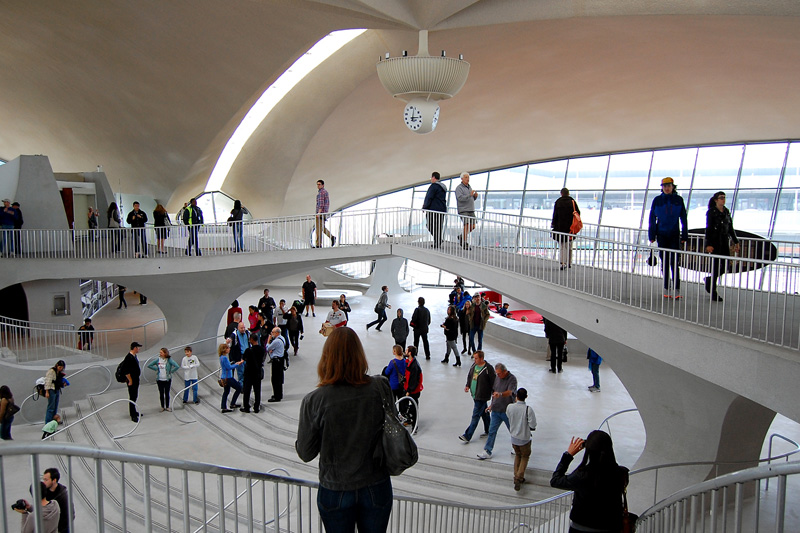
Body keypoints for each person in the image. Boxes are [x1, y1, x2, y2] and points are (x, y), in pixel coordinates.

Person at [296, 327, 393, 533]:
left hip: (335, 487)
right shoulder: (380, 387)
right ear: (360, 354)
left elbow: (305, 453)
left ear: (326, 357)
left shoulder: (314, 401)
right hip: (376, 483)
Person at [550, 431, 630, 533]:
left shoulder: (582, 475)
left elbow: (555, 480)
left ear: (588, 450)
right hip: (611, 527)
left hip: (581, 528)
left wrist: (568, 455)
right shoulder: (621, 473)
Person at [648, 177, 689, 299]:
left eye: (669, 185)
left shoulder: (678, 200)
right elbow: (652, 219)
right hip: (662, 234)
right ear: (662, 187)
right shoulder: (657, 200)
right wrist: (652, 235)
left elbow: (683, 218)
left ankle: (676, 289)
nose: (666, 188)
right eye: (664, 186)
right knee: (665, 262)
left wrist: (684, 235)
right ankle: (666, 288)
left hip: (674, 234)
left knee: (674, 262)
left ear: (672, 187)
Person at [704, 191, 740, 302]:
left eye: (724, 198)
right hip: (715, 243)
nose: (723, 200)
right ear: (716, 200)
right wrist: (708, 244)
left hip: (724, 242)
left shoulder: (726, 212)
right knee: (715, 266)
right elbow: (708, 229)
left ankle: (710, 280)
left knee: (725, 266)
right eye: (721, 198)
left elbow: (730, 228)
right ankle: (713, 291)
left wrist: (735, 241)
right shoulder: (711, 212)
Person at [477, 363, 517, 460]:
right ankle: (487, 451)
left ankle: (517, 447)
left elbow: (510, 392)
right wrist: (491, 405)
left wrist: (501, 394)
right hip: (496, 410)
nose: (497, 375)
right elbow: (494, 393)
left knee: (513, 431)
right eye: (496, 374)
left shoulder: (512, 379)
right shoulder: (497, 378)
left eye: (499, 373)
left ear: (504, 371)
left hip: (507, 411)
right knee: (492, 431)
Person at [458, 351, 495, 443]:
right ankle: (489, 429)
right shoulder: (474, 366)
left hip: (482, 396)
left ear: (482, 358)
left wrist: (494, 393)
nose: (475, 360)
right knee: (484, 413)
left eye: (476, 358)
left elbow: (493, 382)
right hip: (475, 394)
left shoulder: (488, 368)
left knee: (476, 415)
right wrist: (468, 385)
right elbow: (470, 376)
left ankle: (467, 435)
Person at [506, 388, 537, 491]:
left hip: (514, 438)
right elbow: (533, 424)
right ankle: (519, 477)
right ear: (526, 397)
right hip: (524, 438)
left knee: (517, 455)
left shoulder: (510, 407)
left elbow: (508, 417)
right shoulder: (528, 409)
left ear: (516, 396)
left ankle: (516, 475)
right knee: (525, 456)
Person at [551, 187, 580, 270]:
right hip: (571, 228)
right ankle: (569, 262)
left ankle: (562, 263)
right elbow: (578, 213)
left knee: (562, 246)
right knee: (569, 245)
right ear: (568, 193)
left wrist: (553, 224)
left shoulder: (558, 202)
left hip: (560, 227)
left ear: (561, 193)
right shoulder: (572, 202)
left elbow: (555, 215)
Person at [146, 347, 178, 412]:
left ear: (165, 353)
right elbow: (149, 365)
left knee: (167, 393)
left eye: (161, 352)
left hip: (167, 379)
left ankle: (167, 406)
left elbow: (177, 366)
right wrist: (156, 369)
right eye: (160, 352)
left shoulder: (169, 360)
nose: (160, 353)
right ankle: (162, 406)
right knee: (161, 393)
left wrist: (170, 371)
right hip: (159, 379)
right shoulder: (158, 360)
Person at [240, 333, 266, 413]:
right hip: (257, 372)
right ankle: (256, 407)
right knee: (257, 390)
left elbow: (244, 358)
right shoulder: (262, 349)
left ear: (251, 340)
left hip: (249, 372)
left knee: (247, 390)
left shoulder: (248, 350)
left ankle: (246, 407)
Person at [42, 467, 73, 533]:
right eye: (43, 479)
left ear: (54, 480)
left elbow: (70, 515)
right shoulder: (44, 491)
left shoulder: (63, 496)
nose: (44, 482)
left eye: (46, 480)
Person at [422, 171, 447, 247]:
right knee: (439, 226)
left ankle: (438, 240)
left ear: (433, 177)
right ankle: (438, 241)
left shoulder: (433, 186)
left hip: (433, 209)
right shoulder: (443, 187)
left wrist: (425, 207)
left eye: (431, 178)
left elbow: (429, 197)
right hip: (442, 209)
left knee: (430, 225)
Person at [455, 172, 478, 250]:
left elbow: (470, 199)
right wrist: (470, 195)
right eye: (465, 177)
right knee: (467, 225)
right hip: (463, 210)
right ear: (461, 178)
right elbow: (460, 198)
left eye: (468, 177)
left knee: (473, 226)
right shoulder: (459, 188)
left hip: (471, 209)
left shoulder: (469, 187)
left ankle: (462, 236)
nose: (467, 179)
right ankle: (464, 242)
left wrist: (474, 197)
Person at [403, 345, 423, 431]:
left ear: (410, 353)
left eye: (406, 351)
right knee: (408, 405)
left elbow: (414, 380)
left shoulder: (414, 366)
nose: (405, 352)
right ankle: (410, 419)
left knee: (413, 407)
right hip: (410, 388)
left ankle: (414, 425)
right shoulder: (409, 362)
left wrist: (409, 391)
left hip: (413, 391)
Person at [218, 343, 243, 413]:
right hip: (228, 377)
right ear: (224, 349)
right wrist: (237, 364)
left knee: (226, 392)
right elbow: (229, 367)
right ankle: (233, 403)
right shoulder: (225, 358)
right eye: (227, 348)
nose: (229, 349)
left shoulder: (221, 357)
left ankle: (224, 406)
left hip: (224, 377)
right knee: (238, 388)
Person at [121, 342, 142, 422]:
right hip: (132, 380)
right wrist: (130, 380)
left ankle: (134, 411)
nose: (139, 349)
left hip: (135, 379)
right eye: (138, 347)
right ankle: (132, 415)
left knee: (135, 396)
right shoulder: (129, 358)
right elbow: (126, 371)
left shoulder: (134, 356)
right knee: (132, 397)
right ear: (135, 348)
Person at [266, 327, 287, 402]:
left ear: (277, 333)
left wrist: (268, 341)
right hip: (280, 360)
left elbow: (268, 348)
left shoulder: (276, 341)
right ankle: (279, 394)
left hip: (276, 361)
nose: (272, 334)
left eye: (273, 332)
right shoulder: (282, 338)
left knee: (275, 379)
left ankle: (276, 396)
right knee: (279, 378)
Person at [228, 321, 249, 387]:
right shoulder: (234, 335)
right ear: (238, 328)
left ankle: (246, 385)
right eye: (241, 328)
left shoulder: (247, 333)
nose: (243, 329)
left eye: (244, 328)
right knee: (241, 372)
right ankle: (241, 386)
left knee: (247, 371)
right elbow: (230, 344)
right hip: (239, 356)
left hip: (247, 355)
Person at [315, 179, 335, 247]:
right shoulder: (325, 192)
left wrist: (318, 213)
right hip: (324, 213)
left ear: (323, 185)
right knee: (321, 228)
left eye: (319, 184)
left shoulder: (321, 193)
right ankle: (331, 237)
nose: (318, 186)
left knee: (318, 229)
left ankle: (318, 244)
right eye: (317, 184)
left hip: (320, 213)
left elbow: (321, 204)